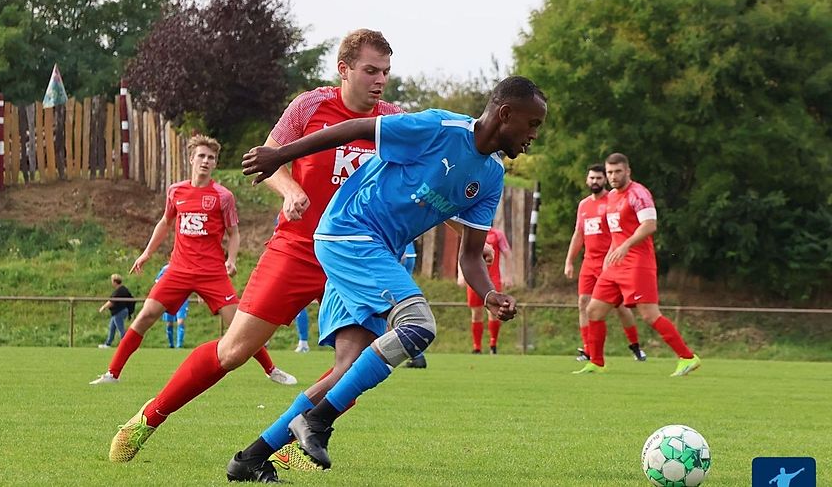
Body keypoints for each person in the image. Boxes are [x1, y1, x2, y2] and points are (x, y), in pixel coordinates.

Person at [107, 29, 404, 471]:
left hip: (355, 257)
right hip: (298, 247)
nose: (380, 80)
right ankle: (151, 417)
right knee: (233, 352)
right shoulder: (309, 106)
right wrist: (288, 189)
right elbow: (268, 157)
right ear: (344, 70)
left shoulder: (394, 120)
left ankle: (283, 444)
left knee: (357, 365)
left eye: (385, 71)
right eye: (370, 70)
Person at [231, 75, 547, 476]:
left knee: (345, 371)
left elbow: (470, 256)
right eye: (533, 124)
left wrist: (489, 295)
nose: (534, 135)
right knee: (418, 325)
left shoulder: (491, 176)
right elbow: (360, 128)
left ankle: (252, 458)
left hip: (376, 251)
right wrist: (281, 156)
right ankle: (316, 421)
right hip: (349, 232)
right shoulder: (440, 128)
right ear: (505, 114)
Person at [89, 135, 296, 387]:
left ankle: (271, 370)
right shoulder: (176, 191)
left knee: (240, 326)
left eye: (211, 158)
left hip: (212, 273)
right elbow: (165, 223)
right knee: (145, 316)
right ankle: (112, 374)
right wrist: (146, 253)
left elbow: (234, 234)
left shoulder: (223, 196)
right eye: (201, 156)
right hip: (178, 270)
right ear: (191, 159)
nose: (206, 161)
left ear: (215, 164)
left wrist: (231, 260)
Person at [573, 153, 700, 376]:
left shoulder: (638, 194)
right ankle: (597, 362)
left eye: (617, 172)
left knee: (650, 315)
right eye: (610, 172)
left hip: (638, 263)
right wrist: (611, 254)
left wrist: (626, 246)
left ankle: (687, 357)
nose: (613, 176)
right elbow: (615, 233)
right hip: (615, 265)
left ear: (628, 171)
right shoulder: (611, 197)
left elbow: (650, 225)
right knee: (593, 310)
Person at [564, 164, 646, 362]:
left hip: (610, 262)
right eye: (591, 178)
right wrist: (569, 261)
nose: (595, 181)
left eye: (599, 178)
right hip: (588, 263)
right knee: (583, 303)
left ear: (605, 180)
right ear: (587, 180)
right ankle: (588, 349)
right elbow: (579, 234)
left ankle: (635, 346)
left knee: (620, 307)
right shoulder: (584, 205)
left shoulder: (612, 200)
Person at [458, 227, 510, 355]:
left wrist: (508, 275)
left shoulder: (497, 234)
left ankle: (493, 345)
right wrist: (461, 274)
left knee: (494, 312)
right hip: (474, 278)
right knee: (476, 313)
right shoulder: (471, 232)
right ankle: (477, 347)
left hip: (493, 278)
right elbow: (462, 254)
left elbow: (507, 253)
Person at [155, 264, 189, 348]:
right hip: (169, 299)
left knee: (180, 321)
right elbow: (157, 282)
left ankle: (179, 345)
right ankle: (171, 345)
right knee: (169, 323)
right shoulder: (165, 269)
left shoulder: (185, 268)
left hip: (182, 299)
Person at [98, 274, 135, 349]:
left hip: (119, 312)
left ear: (115, 282)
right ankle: (108, 343)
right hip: (119, 312)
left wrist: (103, 307)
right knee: (112, 328)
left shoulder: (120, 290)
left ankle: (126, 344)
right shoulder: (123, 289)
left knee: (120, 329)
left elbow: (112, 301)